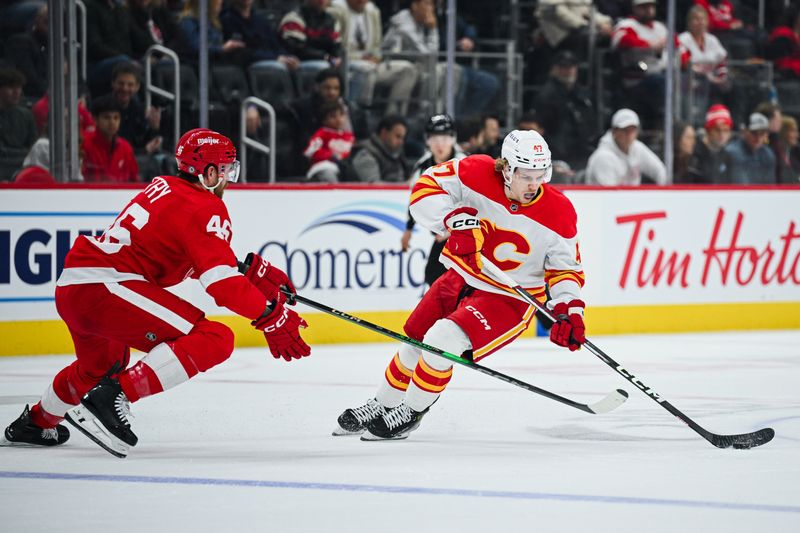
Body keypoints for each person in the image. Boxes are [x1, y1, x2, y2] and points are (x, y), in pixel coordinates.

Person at [3, 128, 311, 457]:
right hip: (106, 286)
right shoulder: (206, 206)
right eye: (225, 170)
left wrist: (251, 272)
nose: (228, 180)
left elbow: (175, 256)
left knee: (101, 363)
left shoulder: (163, 188)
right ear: (208, 173)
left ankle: (36, 422)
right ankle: (113, 396)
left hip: (76, 287)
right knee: (215, 338)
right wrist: (271, 316)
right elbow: (219, 284)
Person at [334, 129, 586, 440]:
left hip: (507, 299)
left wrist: (570, 310)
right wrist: (452, 219)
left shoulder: (559, 211)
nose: (534, 185)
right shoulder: (475, 171)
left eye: (540, 175)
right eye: (525, 175)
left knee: (442, 339)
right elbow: (424, 189)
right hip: (459, 276)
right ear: (506, 168)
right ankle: (382, 404)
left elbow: (566, 271)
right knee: (413, 343)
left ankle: (411, 412)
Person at [400, 114, 466, 286]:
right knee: (434, 275)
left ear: (453, 138)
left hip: (468, 232)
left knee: (454, 277)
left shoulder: (464, 164)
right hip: (443, 234)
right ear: (427, 140)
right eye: (434, 138)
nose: (439, 144)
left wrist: (451, 230)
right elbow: (416, 199)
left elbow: (476, 202)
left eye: (444, 138)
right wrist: (408, 230)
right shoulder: (423, 166)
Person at [327, 0, 418, 114]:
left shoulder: (373, 12)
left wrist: (377, 57)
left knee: (407, 70)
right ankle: (361, 114)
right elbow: (336, 47)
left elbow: (377, 44)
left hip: (371, 63)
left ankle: (393, 117)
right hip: (346, 64)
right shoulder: (336, 11)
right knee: (366, 69)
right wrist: (358, 59)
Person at [533, 50, 596, 171]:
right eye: (564, 67)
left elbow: (590, 120)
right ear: (554, 69)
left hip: (582, 150)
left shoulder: (582, 93)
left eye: (571, 66)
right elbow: (544, 128)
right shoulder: (546, 95)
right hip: (558, 153)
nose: (568, 71)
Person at [585, 108, 668, 185]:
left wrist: (663, 194)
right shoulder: (603, 157)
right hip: (603, 200)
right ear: (614, 132)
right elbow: (610, 195)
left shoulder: (637, 147)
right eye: (624, 130)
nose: (629, 134)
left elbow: (660, 170)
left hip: (631, 199)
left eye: (632, 130)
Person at [82, 95, 140, 183]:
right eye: (106, 117)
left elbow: (135, 180)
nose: (112, 122)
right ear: (95, 119)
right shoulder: (84, 144)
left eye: (116, 118)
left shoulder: (126, 148)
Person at [303, 100, 356, 182]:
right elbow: (310, 152)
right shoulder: (322, 133)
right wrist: (330, 156)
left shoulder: (349, 136)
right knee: (330, 178)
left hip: (345, 169)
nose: (338, 119)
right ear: (324, 120)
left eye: (341, 115)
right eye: (333, 116)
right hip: (325, 167)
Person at [0, 68, 38, 181]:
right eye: (11, 87)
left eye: (19, 87)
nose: (17, 92)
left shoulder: (26, 115)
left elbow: (34, 148)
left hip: (23, 171)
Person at [349, 114, 409, 182]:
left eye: (403, 138)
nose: (401, 142)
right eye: (398, 136)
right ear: (384, 133)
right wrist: (403, 186)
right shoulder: (365, 155)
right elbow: (374, 187)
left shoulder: (397, 154)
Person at [722, 112, 776, 184]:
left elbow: (770, 186)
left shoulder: (768, 154)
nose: (758, 138)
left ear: (767, 135)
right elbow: (741, 186)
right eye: (754, 132)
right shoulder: (732, 152)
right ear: (744, 131)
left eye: (762, 133)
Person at [688, 103, 732, 183]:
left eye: (726, 130)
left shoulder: (727, 155)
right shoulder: (695, 154)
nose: (722, 135)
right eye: (717, 130)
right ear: (708, 130)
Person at [775, 116, 800, 183]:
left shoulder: (796, 152)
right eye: (793, 131)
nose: (797, 135)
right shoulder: (773, 154)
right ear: (783, 132)